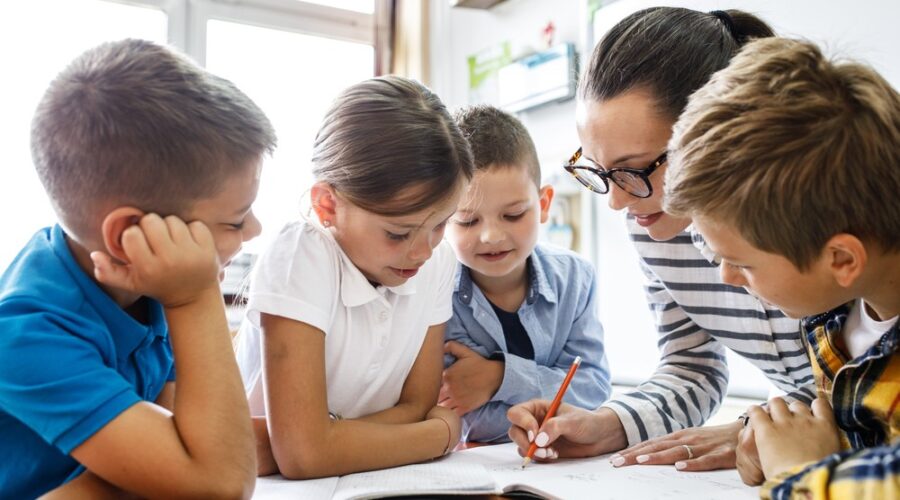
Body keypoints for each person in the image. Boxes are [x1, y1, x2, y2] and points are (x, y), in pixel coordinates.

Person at [507, 7, 816, 472]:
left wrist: (758, 429)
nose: (616, 202)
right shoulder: (651, 220)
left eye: (633, 170)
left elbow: (868, 381)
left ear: (716, 133)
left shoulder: (827, 207)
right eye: (598, 169)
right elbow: (693, 365)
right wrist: (607, 424)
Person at [0, 39, 275, 498]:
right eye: (233, 220)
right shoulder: (27, 332)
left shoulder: (141, 280)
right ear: (130, 233)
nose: (254, 230)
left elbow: (189, 444)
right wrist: (194, 297)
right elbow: (221, 485)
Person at [665, 36, 900, 499]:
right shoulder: (833, 313)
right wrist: (783, 438)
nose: (726, 277)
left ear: (841, 260)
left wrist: (798, 474)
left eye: (740, 263)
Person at [235, 76, 474, 478]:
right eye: (397, 233)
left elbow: (416, 404)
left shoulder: (438, 261)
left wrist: (318, 440)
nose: (422, 250)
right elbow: (303, 456)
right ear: (328, 205)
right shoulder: (302, 253)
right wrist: (439, 436)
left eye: (441, 225)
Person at [440, 105, 611, 444]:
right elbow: (460, 413)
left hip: (561, 461)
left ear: (544, 204)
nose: (491, 236)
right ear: (441, 217)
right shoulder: (437, 291)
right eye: (468, 221)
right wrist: (549, 396)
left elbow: (593, 388)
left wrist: (501, 377)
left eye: (513, 215)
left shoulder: (575, 278)